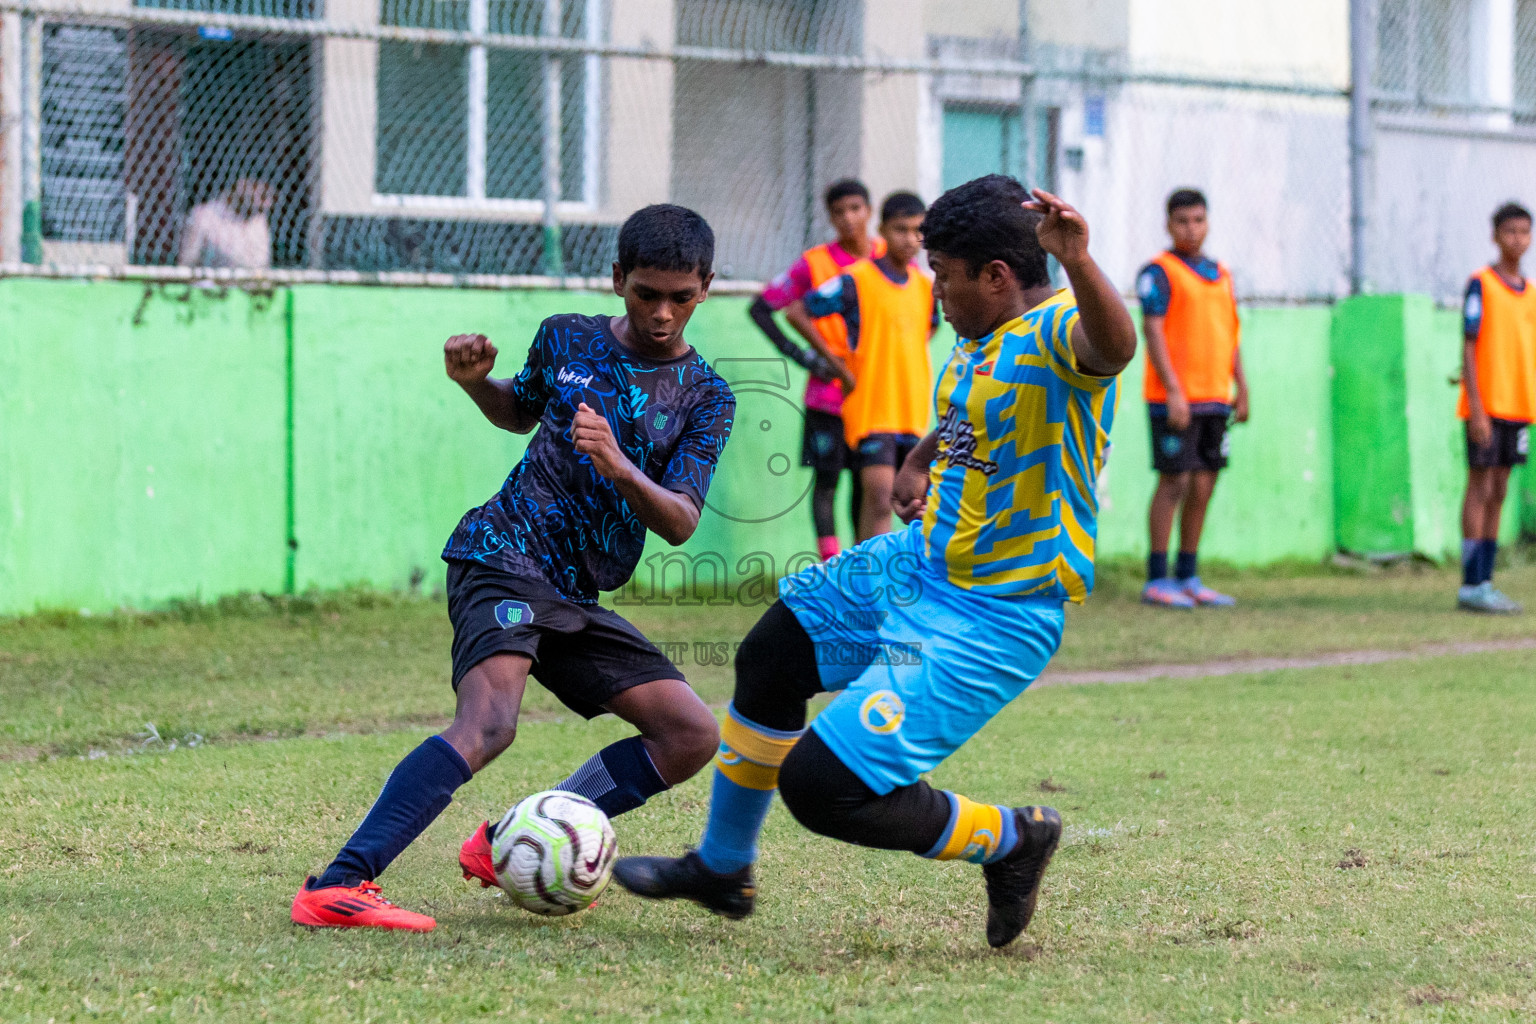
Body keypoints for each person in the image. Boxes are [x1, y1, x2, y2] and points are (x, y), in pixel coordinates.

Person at [611, 176, 1136, 950]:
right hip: (916, 564)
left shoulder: (1062, 331)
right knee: (770, 657)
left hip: (996, 614)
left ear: (996, 276)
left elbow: (1115, 348)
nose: (937, 294)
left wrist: (1082, 265)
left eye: (946, 277)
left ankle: (1012, 840)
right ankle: (723, 868)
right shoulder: (978, 337)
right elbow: (967, 409)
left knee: (824, 788)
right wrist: (921, 459)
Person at [290, 205, 736, 932]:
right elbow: (519, 410)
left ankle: (507, 843)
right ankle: (339, 883)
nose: (661, 313)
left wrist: (619, 465)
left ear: (706, 288)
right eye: (645, 293)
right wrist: (476, 383)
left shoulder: (707, 396)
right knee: (490, 724)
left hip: (574, 591)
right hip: (503, 555)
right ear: (617, 278)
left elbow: (681, 520)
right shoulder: (566, 336)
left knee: (689, 734)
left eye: (680, 297)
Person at [747, 179, 883, 561]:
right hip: (827, 397)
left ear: (869, 211)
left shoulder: (887, 258)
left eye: (856, 208)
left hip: (873, 395)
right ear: (830, 217)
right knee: (826, 483)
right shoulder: (815, 263)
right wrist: (803, 356)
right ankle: (830, 566)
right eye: (839, 212)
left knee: (867, 483)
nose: (849, 218)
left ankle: (860, 565)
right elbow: (762, 309)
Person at [796, 191, 938, 540]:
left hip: (913, 411)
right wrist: (839, 369)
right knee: (878, 499)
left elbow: (926, 329)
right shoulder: (856, 279)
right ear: (883, 230)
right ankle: (865, 588)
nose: (910, 239)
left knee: (917, 503)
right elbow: (799, 311)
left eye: (918, 231)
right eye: (900, 229)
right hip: (873, 410)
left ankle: (900, 585)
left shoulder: (925, 285)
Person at [1137, 188, 1248, 609]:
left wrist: (1242, 386)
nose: (1191, 228)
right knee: (1174, 481)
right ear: (1168, 224)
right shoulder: (1158, 272)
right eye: (1182, 221)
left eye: (1199, 220)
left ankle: (1188, 574)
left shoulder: (1221, 274)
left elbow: (1231, 335)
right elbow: (1153, 330)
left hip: (1215, 397)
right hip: (1174, 399)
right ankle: (1156, 576)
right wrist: (1173, 391)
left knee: (1205, 483)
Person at [1457, 201, 1534, 613]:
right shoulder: (1481, 284)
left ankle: (1486, 580)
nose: (1517, 240)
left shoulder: (1531, 293)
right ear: (1495, 236)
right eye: (1510, 232)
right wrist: (1477, 407)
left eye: (1524, 232)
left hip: (1519, 407)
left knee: (1501, 490)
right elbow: (1469, 346)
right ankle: (1470, 584)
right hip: (1487, 406)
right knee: (1480, 486)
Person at [178, 178, 274, 269]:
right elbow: (187, 263)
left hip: (252, 284)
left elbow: (263, 264)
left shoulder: (259, 220)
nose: (268, 204)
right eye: (263, 195)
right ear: (242, 184)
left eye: (272, 197)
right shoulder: (203, 215)